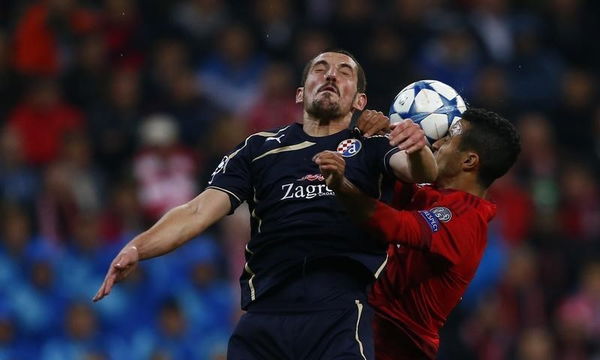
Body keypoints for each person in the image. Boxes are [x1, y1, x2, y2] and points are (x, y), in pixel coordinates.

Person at [93, 49, 438, 359]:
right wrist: (139, 247)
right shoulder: (259, 149)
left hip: (339, 310)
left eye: (344, 72)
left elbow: (420, 171)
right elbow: (198, 210)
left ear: (359, 101)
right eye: (321, 68)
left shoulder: (374, 146)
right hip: (265, 316)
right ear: (301, 93)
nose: (331, 75)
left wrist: (418, 146)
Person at [315, 107, 521, 359]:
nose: (438, 142)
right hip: (360, 328)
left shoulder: (467, 219)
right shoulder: (433, 193)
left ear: (469, 161)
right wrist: (377, 132)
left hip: (397, 345)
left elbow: (390, 224)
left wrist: (341, 185)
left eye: (449, 138)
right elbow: (381, 179)